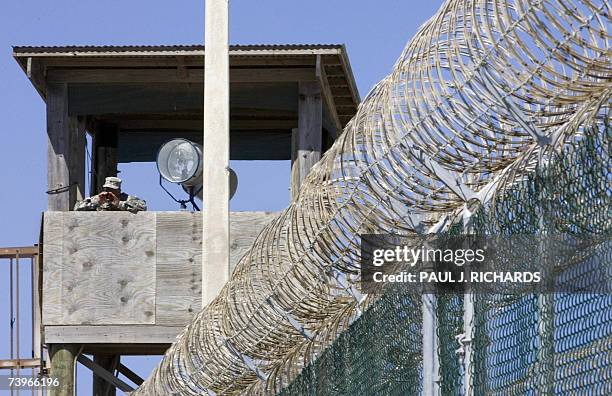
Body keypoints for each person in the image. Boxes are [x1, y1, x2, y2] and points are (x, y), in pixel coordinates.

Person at [74, 177, 147, 213]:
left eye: (112, 190)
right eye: (107, 189)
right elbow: (77, 208)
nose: (109, 192)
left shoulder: (127, 198)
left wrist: (119, 203)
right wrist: (96, 203)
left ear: (119, 190)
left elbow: (143, 207)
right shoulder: (98, 199)